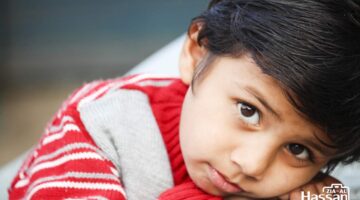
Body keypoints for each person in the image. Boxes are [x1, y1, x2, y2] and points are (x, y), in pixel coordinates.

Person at [8, 0, 360, 199]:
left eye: (299, 150)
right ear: (196, 52)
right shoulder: (98, 125)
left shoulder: (301, 186)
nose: (252, 165)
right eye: (248, 111)